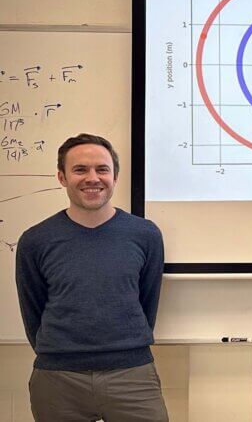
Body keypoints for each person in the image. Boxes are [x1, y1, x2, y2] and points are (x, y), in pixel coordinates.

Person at [15, 133, 168, 422]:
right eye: (80, 169)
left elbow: (147, 301)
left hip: (132, 375)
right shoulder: (35, 240)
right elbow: (32, 309)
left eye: (102, 169)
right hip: (58, 379)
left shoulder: (145, 235)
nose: (92, 178)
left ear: (115, 176)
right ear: (62, 177)